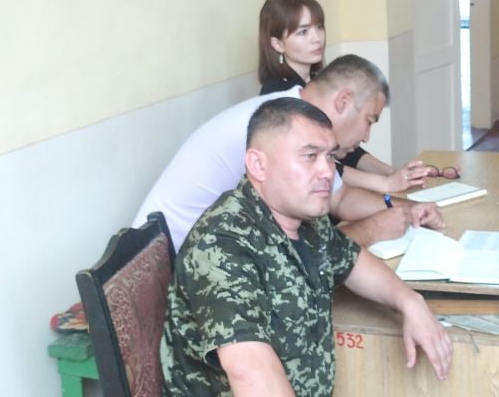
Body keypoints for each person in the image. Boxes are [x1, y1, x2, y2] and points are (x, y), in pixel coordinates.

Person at [160, 97, 457, 397]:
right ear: (258, 164)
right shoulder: (222, 244)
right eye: (309, 156)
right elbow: (249, 370)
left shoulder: (304, 221)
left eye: (330, 157)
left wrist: (411, 302)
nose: (327, 172)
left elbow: (354, 263)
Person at [134, 53, 444, 250]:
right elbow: (297, 252)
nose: (365, 136)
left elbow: (340, 198)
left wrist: (406, 209)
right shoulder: (278, 129)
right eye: (369, 120)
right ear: (343, 101)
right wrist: (374, 227)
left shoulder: (300, 120)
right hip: (179, 266)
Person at [258, 0, 430, 194]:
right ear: (277, 44)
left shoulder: (315, 81)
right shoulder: (278, 93)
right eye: (303, 32)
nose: (317, 38)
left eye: (319, 27)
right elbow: (319, 162)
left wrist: (393, 173)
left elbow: (347, 149)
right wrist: (384, 183)